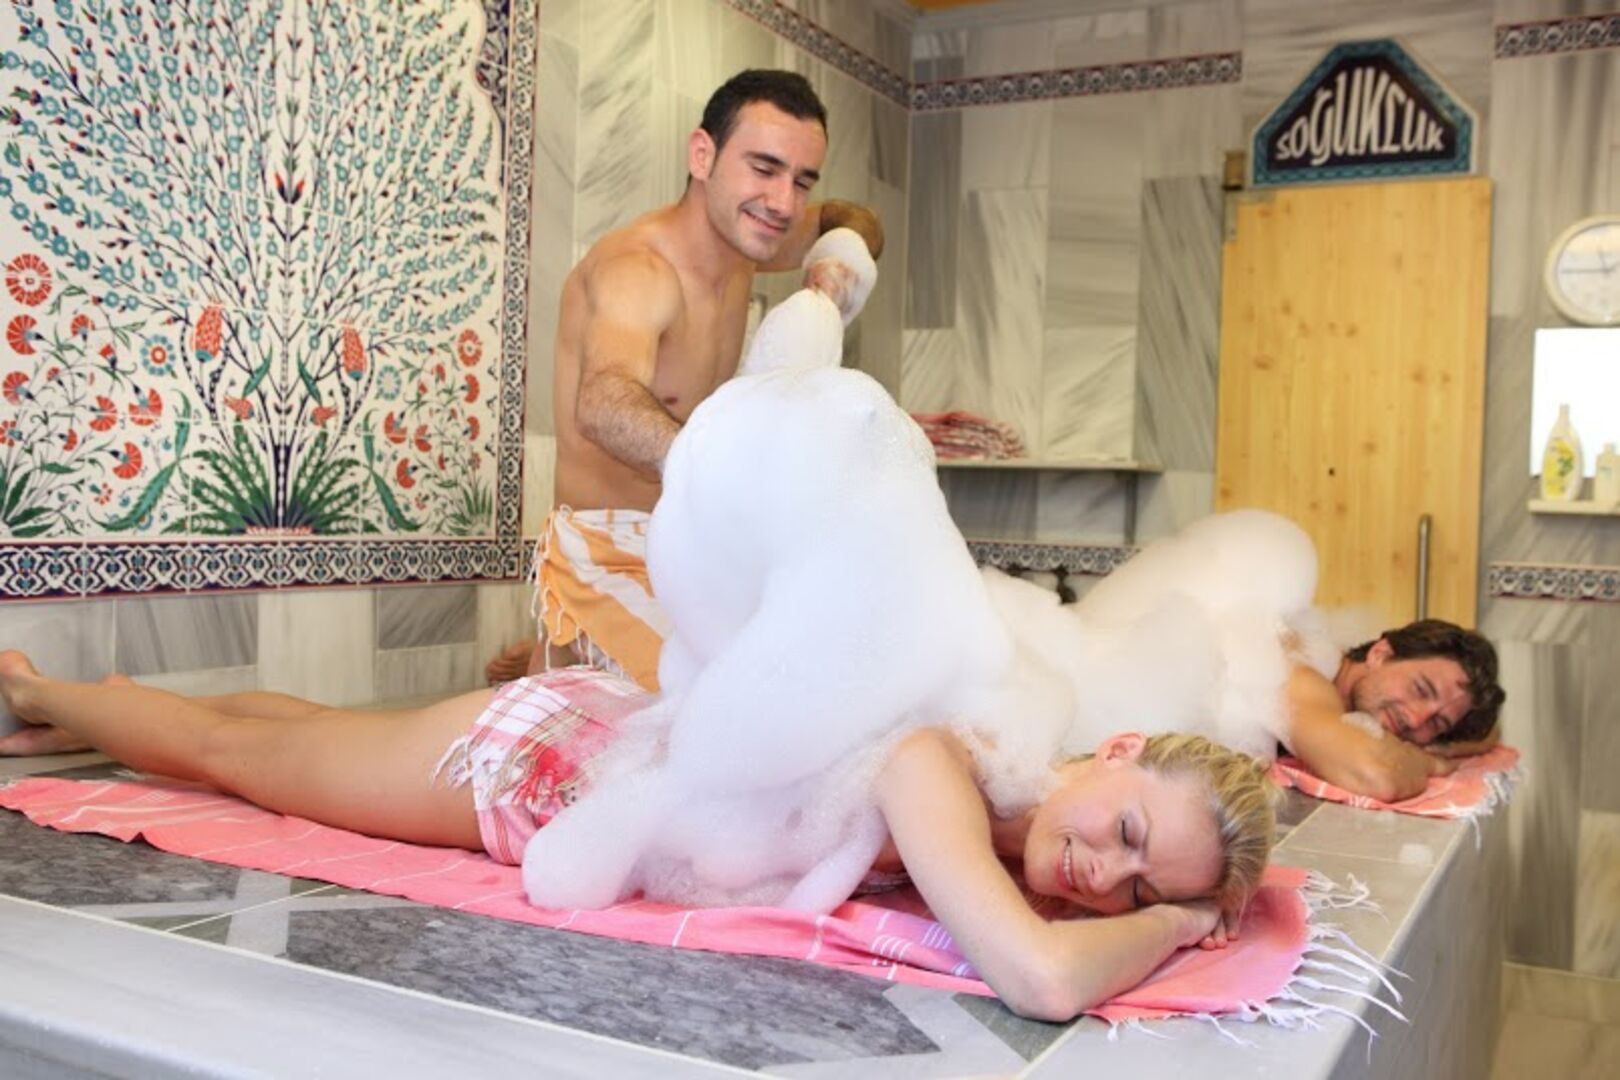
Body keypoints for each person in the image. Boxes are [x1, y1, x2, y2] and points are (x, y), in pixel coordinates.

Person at [0, 651, 1276, 1023]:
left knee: (315, 735)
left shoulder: (1017, 787)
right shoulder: (944, 765)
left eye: (1132, 887)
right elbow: (1041, 980)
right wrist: (1174, 924)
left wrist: (1168, 893)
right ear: (1118, 752)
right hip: (547, 773)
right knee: (246, 765)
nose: (1099, 875)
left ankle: (97, 707)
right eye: (1124, 831)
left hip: (619, 746)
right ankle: (37, 691)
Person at [484, 69, 883, 688]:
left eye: (802, 180)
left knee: (843, 666)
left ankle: (558, 658)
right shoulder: (638, 269)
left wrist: (838, 266)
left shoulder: (749, 244)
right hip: (608, 551)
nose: (784, 202)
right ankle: (566, 643)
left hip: (691, 552)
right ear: (703, 155)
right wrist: (730, 473)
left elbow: (857, 220)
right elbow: (603, 403)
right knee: (729, 695)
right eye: (764, 168)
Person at [1283, 618, 1505, 803]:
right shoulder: (1300, 675)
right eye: (1421, 689)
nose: (1416, 719)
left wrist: (1447, 748)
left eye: (1437, 722)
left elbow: (1491, 735)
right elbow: (1377, 778)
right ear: (1380, 655)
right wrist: (1433, 763)